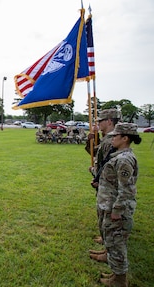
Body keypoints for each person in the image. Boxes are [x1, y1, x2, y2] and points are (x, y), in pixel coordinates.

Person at [92, 123, 141, 286]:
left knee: (117, 245)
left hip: (117, 210)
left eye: (115, 136)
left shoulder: (124, 159)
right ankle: (115, 276)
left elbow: (127, 189)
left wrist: (118, 210)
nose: (112, 138)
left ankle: (120, 280)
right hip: (109, 204)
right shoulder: (119, 156)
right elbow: (114, 182)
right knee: (112, 243)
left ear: (125, 138)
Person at [87, 109, 121, 257]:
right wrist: (92, 138)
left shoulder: (110, 141)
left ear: (109, 121)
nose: (98, 123)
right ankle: (106, 245)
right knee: (103, 217)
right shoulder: (107, 138)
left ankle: (109, 250)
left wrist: (98, 178)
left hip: (108, 186)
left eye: (100, 121)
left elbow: (106, 164)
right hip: (103, 183)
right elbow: (96, 155)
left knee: (107, 218)